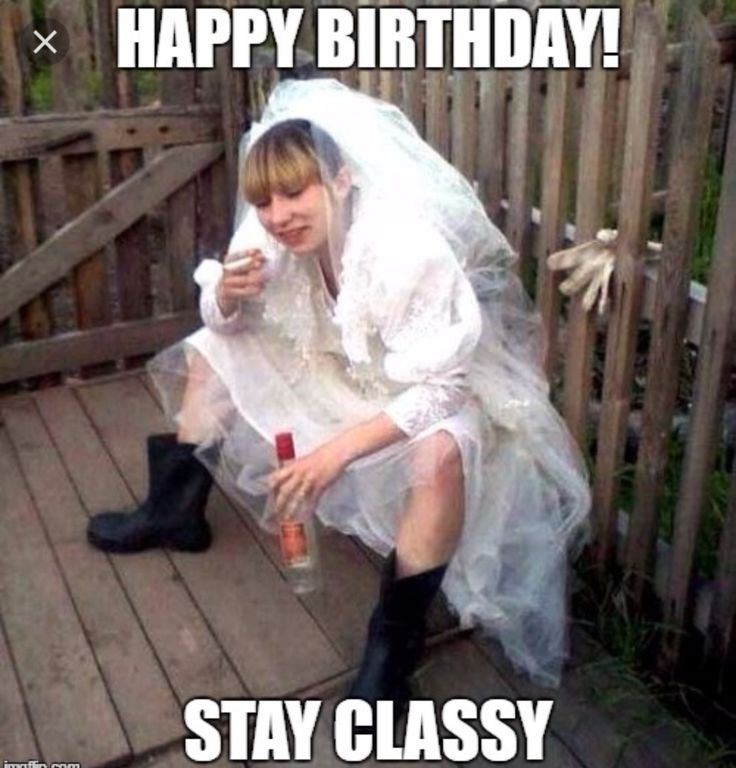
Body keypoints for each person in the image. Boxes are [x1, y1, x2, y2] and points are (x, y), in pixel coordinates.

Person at [86, 79, 591, 702]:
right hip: (336, 373)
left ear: (342, 180)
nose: (278, 215)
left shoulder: (405, 249)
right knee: (214, 348)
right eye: (264, 199)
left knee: (441, 456)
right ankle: (173, 510)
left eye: (296, 192)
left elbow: (443, 390)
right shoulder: (271, 230)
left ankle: (392, 648)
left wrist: (334, 453)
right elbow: (226, 322)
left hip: (420, 391)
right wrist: (223, 296)